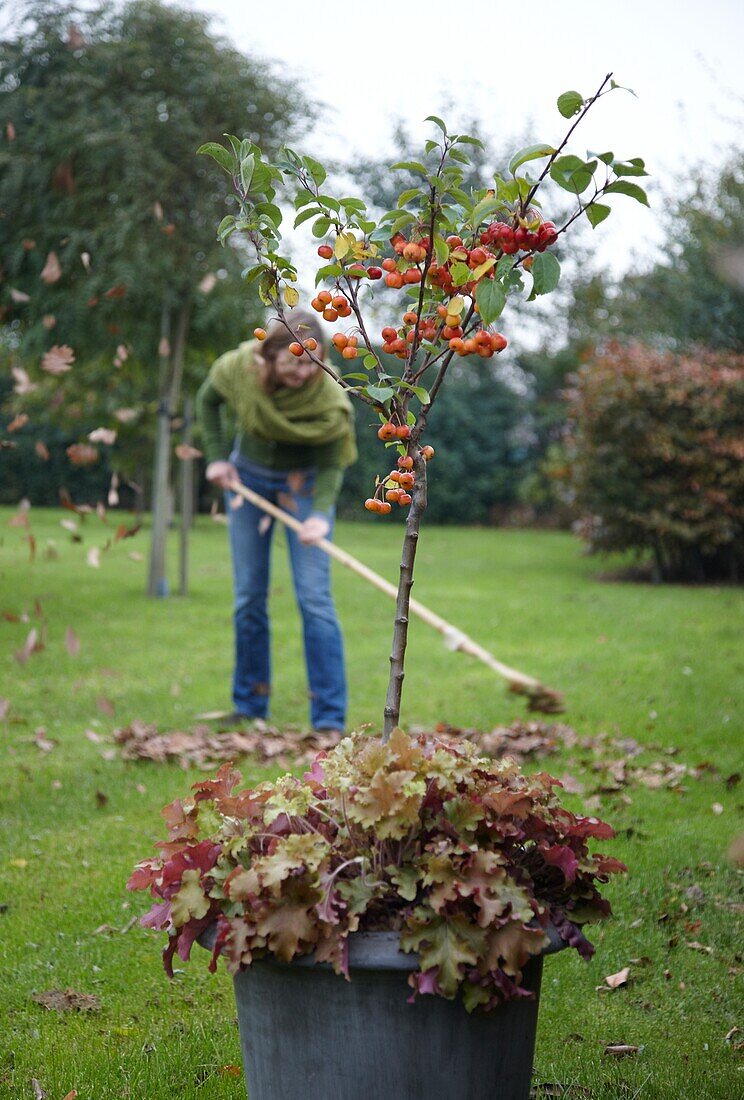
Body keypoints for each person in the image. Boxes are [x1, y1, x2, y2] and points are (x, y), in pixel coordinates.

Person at [196, 311, 357, 733]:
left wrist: (320, 515)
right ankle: (250, 707)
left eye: (311, 361)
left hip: (304, 487)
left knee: (314, 600)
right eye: (293, 361)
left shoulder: (327, 396)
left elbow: (331, 462)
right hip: (247, 479)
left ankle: (328, 720)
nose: (303, 371)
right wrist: (215, 457)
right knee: (249, 595)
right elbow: (206, 400)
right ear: (268, 355)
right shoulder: (239, 368)